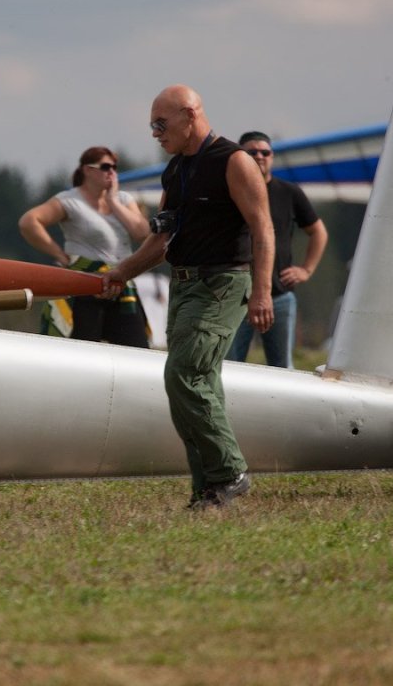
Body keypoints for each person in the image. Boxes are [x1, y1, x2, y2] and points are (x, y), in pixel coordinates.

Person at [104, 85, 274, 510]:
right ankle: (209, 492)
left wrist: (263, 292)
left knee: (184, 375)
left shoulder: (234, 162)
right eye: (151, 127)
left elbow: (264, 229)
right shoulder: (175, 170)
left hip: (222, 285)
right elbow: (161, 239)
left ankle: (230, 471)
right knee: (197, 384)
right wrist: (122, 272)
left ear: (189, 114)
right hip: (183, 286)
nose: (156, 134)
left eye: (161, 124)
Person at [19, 146, 150, 347]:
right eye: (105, 167)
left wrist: (113, 202)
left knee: (136, 348)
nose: (112, 172)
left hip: (120, 285)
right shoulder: (70, 200)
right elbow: (29, 221)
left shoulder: (123, 199)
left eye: (115, 167)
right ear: (87, 170)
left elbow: (142, 233)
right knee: (84, 348)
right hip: (85, 285)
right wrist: (59, 255)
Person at [226, 131, 329, 369]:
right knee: (230, 365)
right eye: (252, 152)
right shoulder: (231, 190)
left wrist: (306, 270)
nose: (260, 156)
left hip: (279, 295)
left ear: (272, 156)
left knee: (282, 368)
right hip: (237, 296)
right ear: (240, 156)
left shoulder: (289, 192)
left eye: (265, 152)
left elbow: (318, 232)